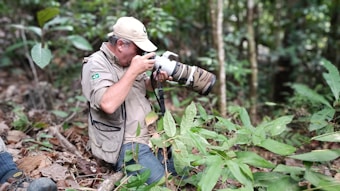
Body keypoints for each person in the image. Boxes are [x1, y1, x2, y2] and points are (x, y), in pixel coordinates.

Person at [81, 16, 176, 185]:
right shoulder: (96, 64)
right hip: (124, 144)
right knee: (161, 184)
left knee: (181, 174)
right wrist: (133, 70)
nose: (141, 54)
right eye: (138, 49)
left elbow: (141, 87)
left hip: (149, 135)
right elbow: (107, 104)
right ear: (120, 45)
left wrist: (155, 80)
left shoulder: (128, 61)